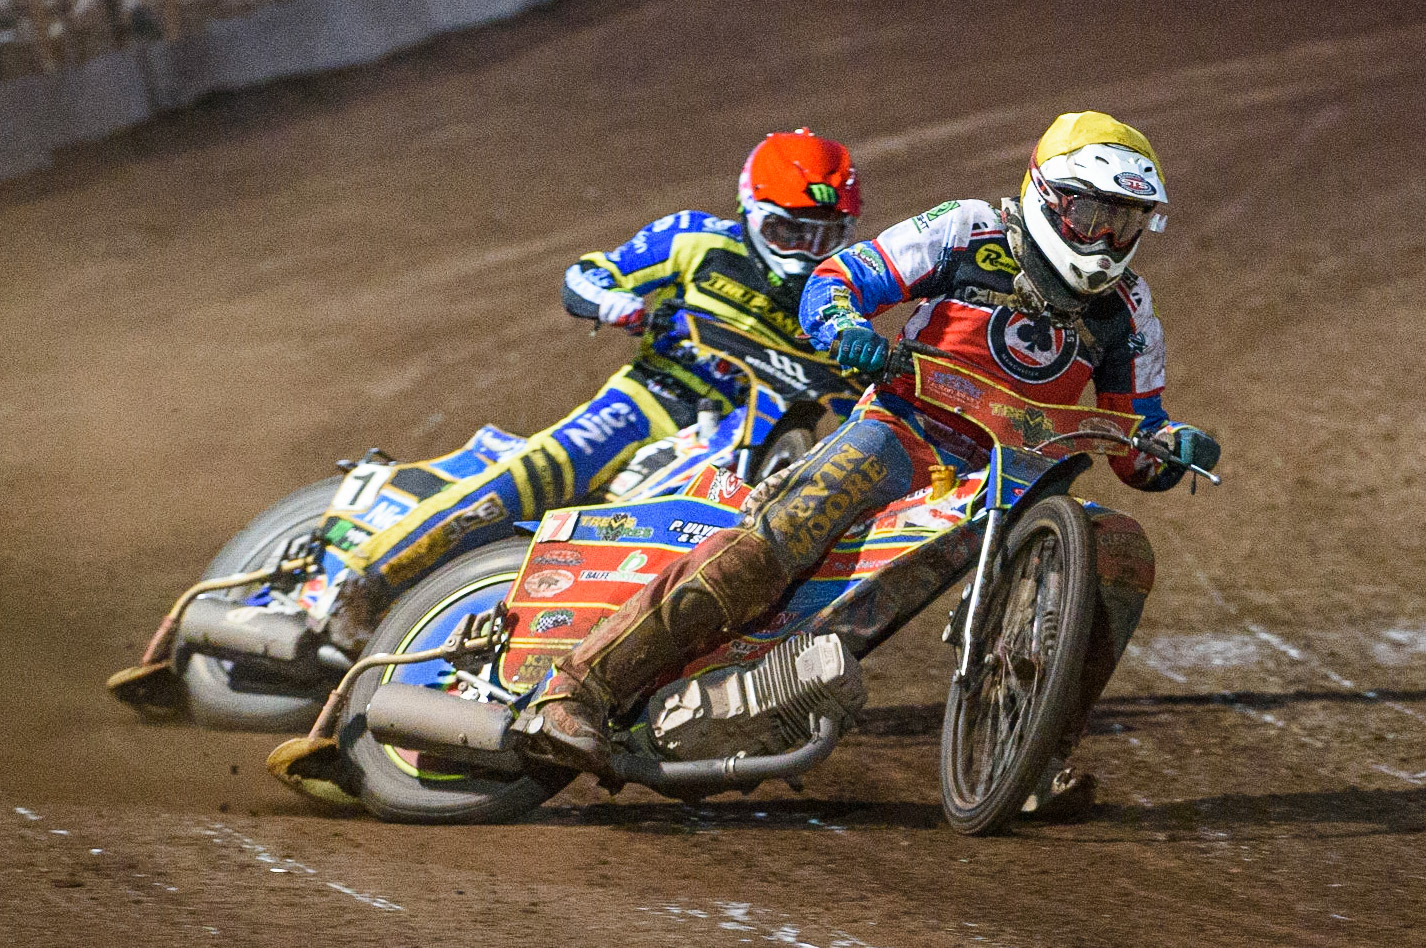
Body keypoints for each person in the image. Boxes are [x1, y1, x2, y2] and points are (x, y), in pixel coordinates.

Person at [518, 111, 1221, 816]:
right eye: (1092, 212)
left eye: (1125, 221)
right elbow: (838, 279)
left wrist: (1173, 450)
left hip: (1021, 484)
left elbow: (1138, 442)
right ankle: (578, 687)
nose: (1105, 237)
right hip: (905, 432)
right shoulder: (968, 229)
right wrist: (850, 330)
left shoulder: (1131, 313)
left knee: (1122, 550)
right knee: (789, 528)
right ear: (1047, 195)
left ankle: (1036, 758)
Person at [318, 129, 863, 646]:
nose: (805, 253)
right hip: (647, 401)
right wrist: (612, 302)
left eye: (826, 236)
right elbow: (586, 275)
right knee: (546, 469)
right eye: (789, 232)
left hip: (733, 445)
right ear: (752, 214)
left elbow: (860, 398)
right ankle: (368, 581)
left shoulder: (836, 304)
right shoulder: (697, 241)